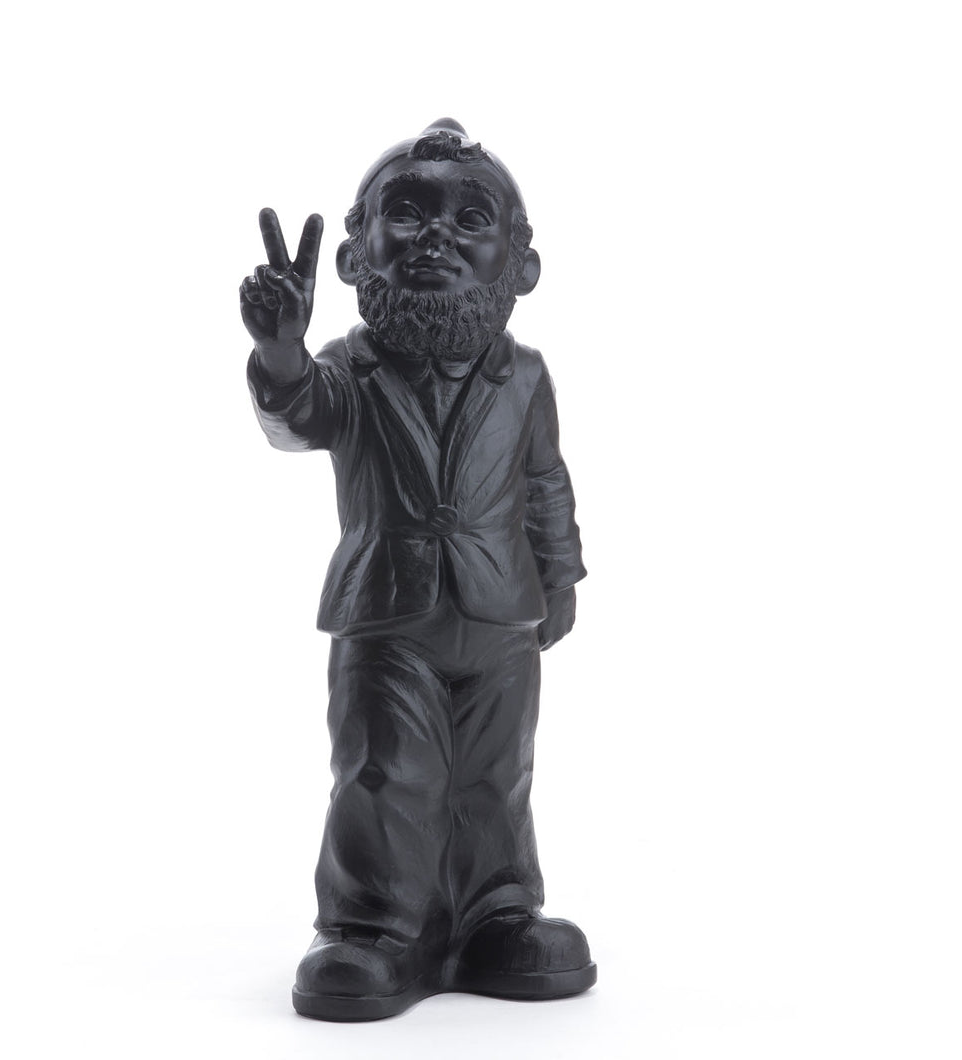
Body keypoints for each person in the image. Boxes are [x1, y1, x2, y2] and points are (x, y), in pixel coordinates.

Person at [242, 119, 595, 1021]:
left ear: (521, 267)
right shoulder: (349, 369)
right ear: (355, 258)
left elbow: (544, 481)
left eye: (470, 219)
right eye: (406, 214)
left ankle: (496, 913)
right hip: (386, 619)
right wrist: (280, 352)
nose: (436, 236)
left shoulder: (527, 377)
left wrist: (560, 578)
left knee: (497, 773)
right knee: (382, 770)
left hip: (501, 614)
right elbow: (298, 417)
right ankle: (372, 927)